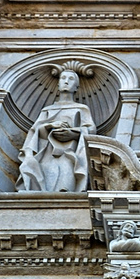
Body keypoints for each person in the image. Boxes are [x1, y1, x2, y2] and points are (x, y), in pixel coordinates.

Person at [18, 64, 96, 193]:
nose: (66, 81)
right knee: (44, 179)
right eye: (63, 78)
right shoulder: (47, 110)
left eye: (71, 79)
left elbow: (91, 130)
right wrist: (50, 125)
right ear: (58, 84)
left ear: (77, 87)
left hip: (69, 153)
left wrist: (73, 133)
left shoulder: (81, 108)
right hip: (47, 153)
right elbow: (34, 132)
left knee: (66, 181)